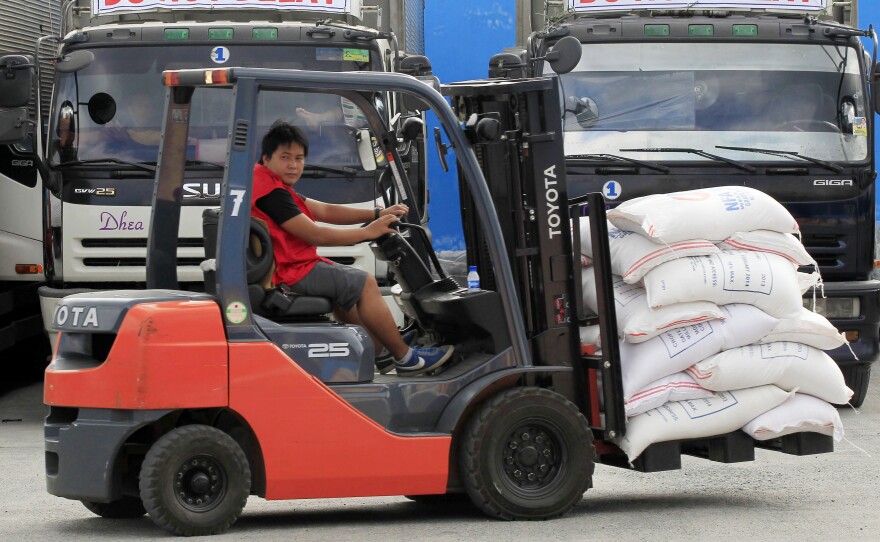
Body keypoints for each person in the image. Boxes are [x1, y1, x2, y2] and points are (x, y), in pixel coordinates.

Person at [250, 121, 454, 377]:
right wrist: (369, 232)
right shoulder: (272, 194)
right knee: (364, 282)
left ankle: (381, 352)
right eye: (285, 157)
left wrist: (377, 212)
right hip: (289, 272)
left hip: (289, 265)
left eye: (299, 158)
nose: (293, 164)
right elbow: (315, 233)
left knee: (345, 290)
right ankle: (405, 357)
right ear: (266, 158)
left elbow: (323, 210)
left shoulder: (268, 183)